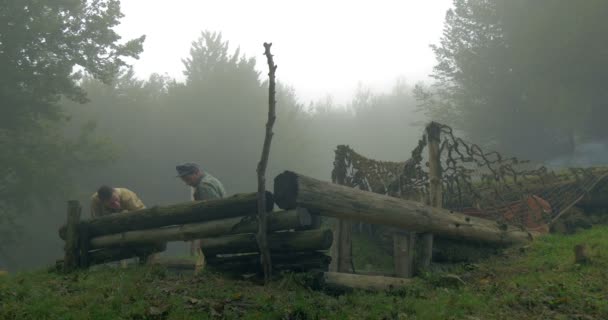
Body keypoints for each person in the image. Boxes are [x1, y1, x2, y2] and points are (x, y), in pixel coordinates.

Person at [175, 163, 226, 271]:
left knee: (208, 259)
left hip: (213, 231)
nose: (187, 183)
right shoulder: (211, 180)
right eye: (184, 180)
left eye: (188, 179)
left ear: (197, 172)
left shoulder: (204, 186)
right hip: (217, 228)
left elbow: (211, 213)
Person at [90, 185, 147, 267]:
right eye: (111, 203)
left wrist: (125, 214)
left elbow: (143, 215)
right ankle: (122, 266)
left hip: (133, 227)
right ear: (102, 202)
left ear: (115, 192)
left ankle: (146, 264)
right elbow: (96, 221)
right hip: (111, 230)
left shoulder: (127, 196)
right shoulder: (95, 201)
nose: (116, 203)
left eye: (116, 199)